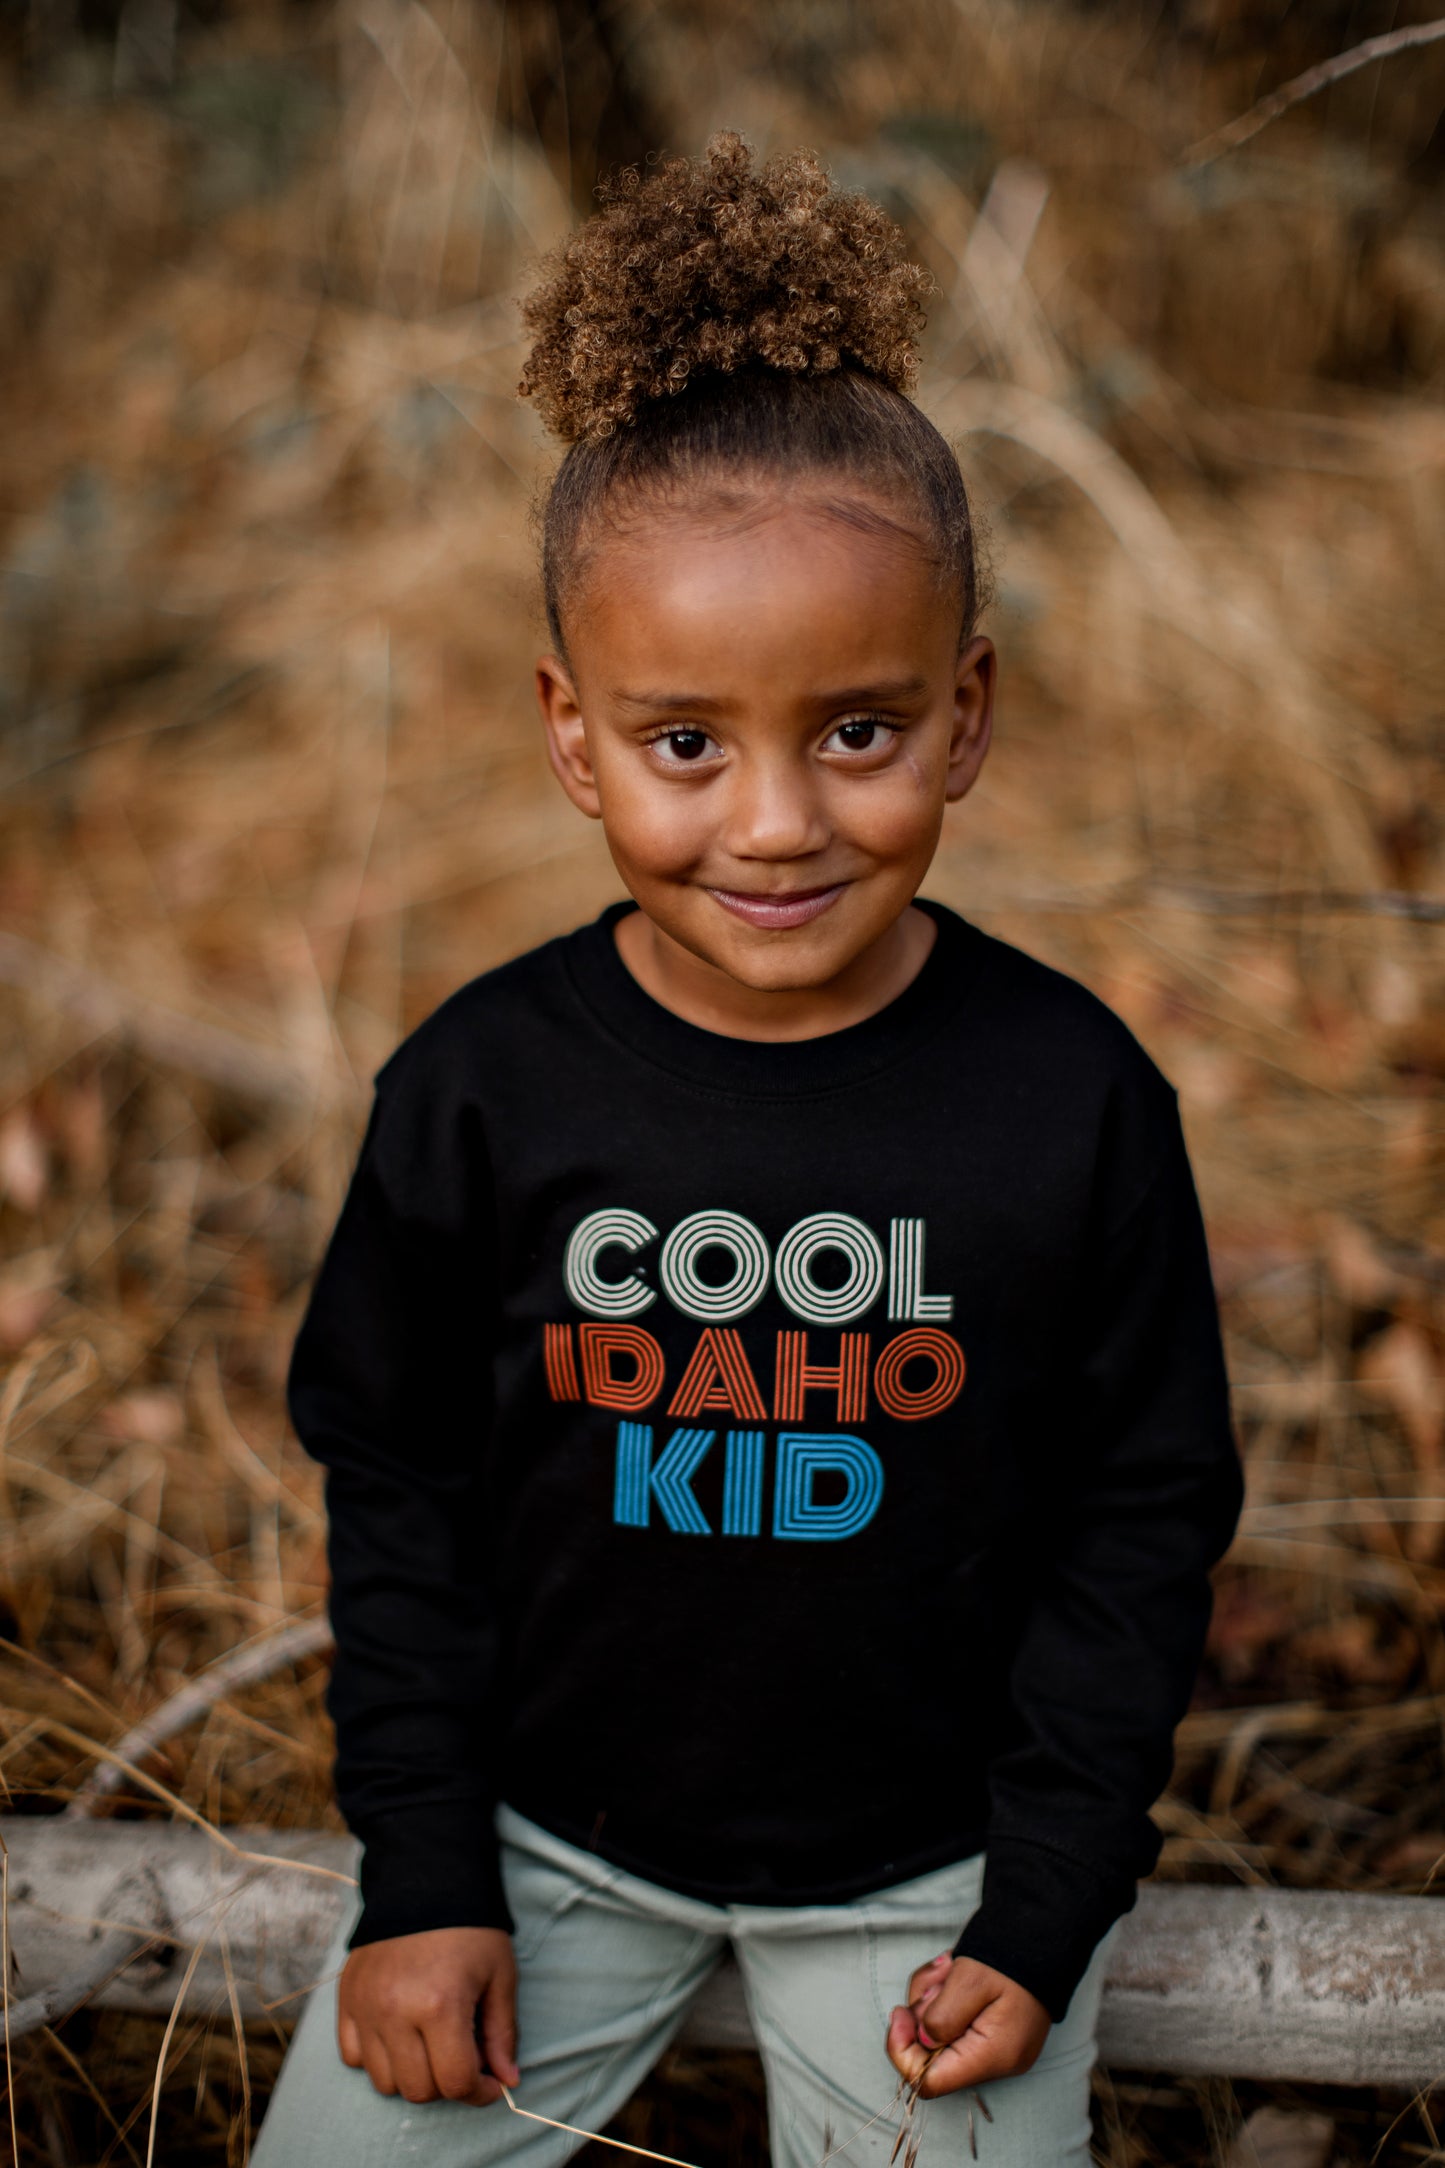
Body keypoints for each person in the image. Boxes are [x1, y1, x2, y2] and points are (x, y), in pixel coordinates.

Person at [254, 135, 1242, 2168]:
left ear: (966, 714)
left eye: (858, 731)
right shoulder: (480, 1087)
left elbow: (1141, 1525)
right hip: (542, 1852)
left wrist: (1040, 1910)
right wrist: (427, 1875)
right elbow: (403, 1485)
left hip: (930, 1892)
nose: (778, 822)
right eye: (686, 740)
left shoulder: (1071, 1104)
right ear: (572, 733)